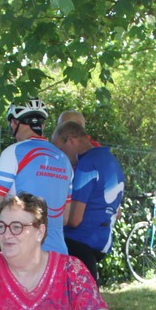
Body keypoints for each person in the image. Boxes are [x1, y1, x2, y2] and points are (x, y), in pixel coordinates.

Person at [0, 99, 73, 255]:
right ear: (42, 125)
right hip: (58, 255)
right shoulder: (64, 160)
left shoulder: (13, 152)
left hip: (24, 256)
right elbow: (64, 218)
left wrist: (5, 221)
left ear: (14, 123)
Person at [52, 120, 125, 284]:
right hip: (102, 239)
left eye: (60, 150)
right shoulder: (110, 160)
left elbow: (74, 220)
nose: (60, 157)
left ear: (71, 140)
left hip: (80, 242)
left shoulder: (86, 164)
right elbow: (118, 212)